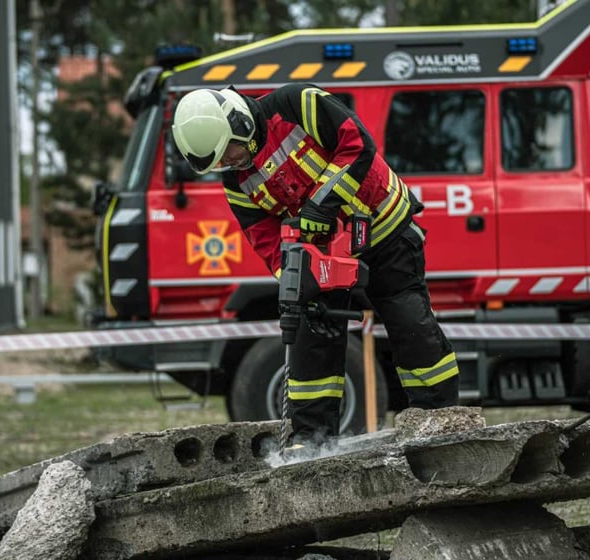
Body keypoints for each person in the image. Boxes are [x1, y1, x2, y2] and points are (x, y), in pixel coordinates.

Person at [172, 83, 459, 446]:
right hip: (326, 257)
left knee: (411, 325)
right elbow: (263, 236)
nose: (229, 164)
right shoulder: (235, 180)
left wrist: (321, 204)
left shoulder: (299, 103)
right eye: (220, 163)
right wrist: (294, 275)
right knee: (311, 347)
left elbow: (357, 146)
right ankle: (310, 445)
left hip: (385, 232)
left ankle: (441, 422)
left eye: (229, 153)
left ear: (238, 123)